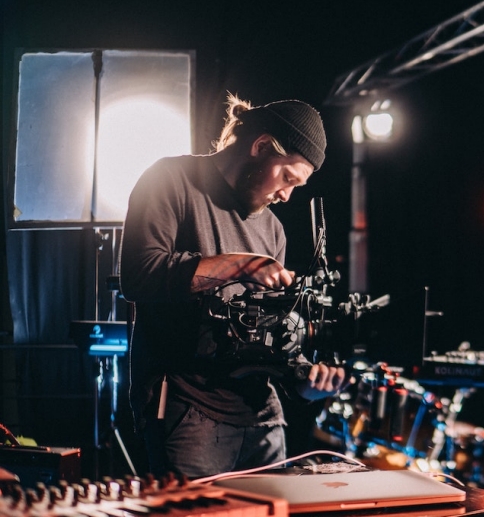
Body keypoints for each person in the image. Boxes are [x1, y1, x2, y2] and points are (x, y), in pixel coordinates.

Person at [119, 94, 351, 478]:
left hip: (264, 421)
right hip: (187, 414)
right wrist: (240, 266)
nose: (286, 195)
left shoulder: (273, 229)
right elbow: (139, 275)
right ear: (260, 147)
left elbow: (270, 339)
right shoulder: (171, 180)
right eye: (287, 177)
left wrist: (306, 382)